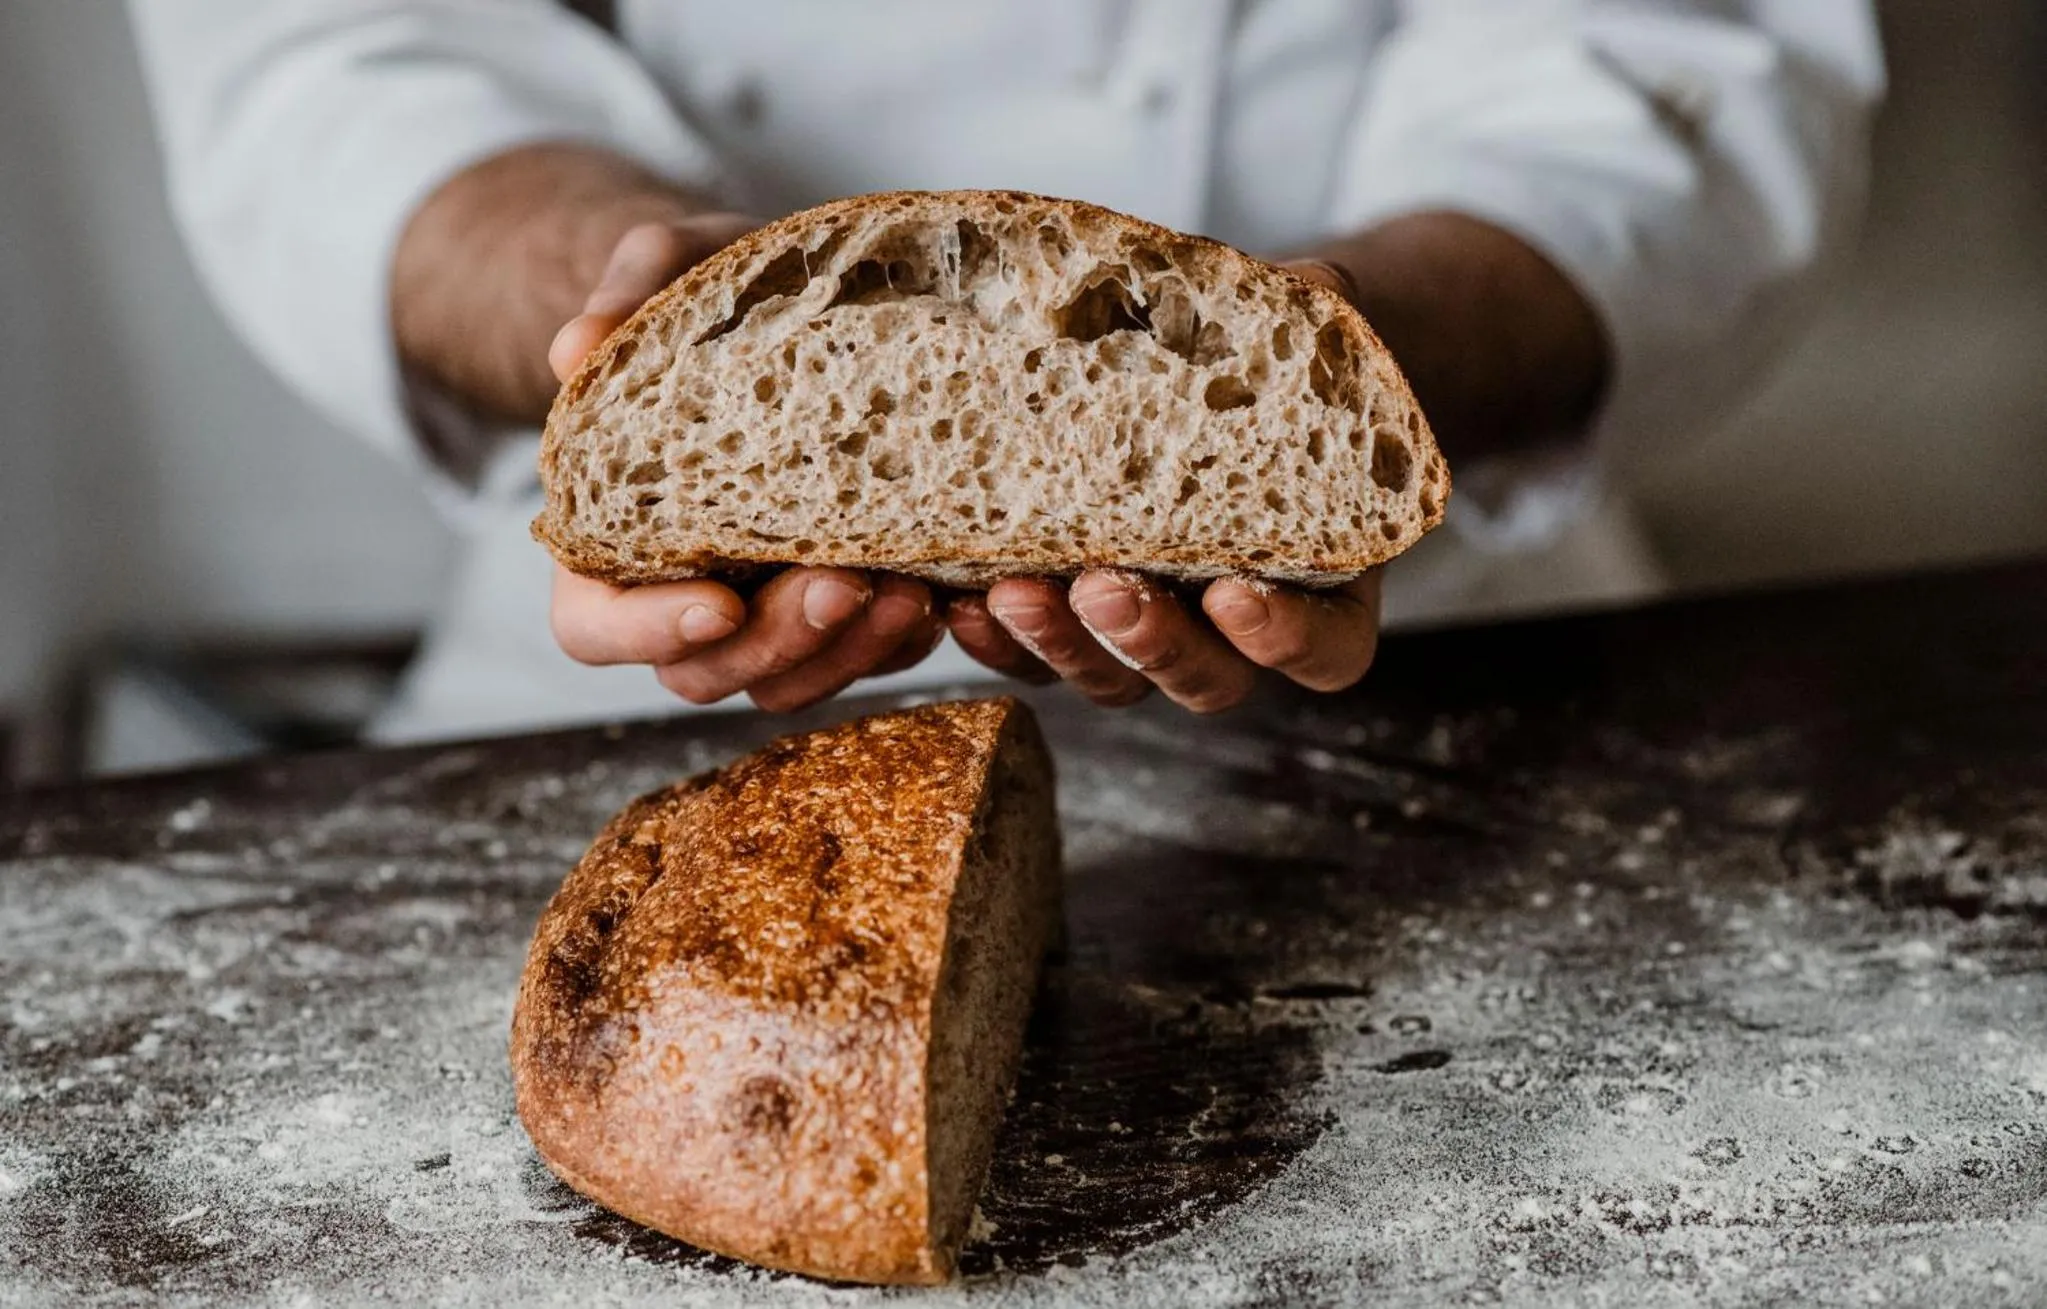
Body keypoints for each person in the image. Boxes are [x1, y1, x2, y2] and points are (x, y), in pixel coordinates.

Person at [130, 1, 1882, 741]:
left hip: (1432, 636)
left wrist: (1331, 373)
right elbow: (327, 57)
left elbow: (1669, 55)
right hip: (644, 675)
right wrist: (622, 313)